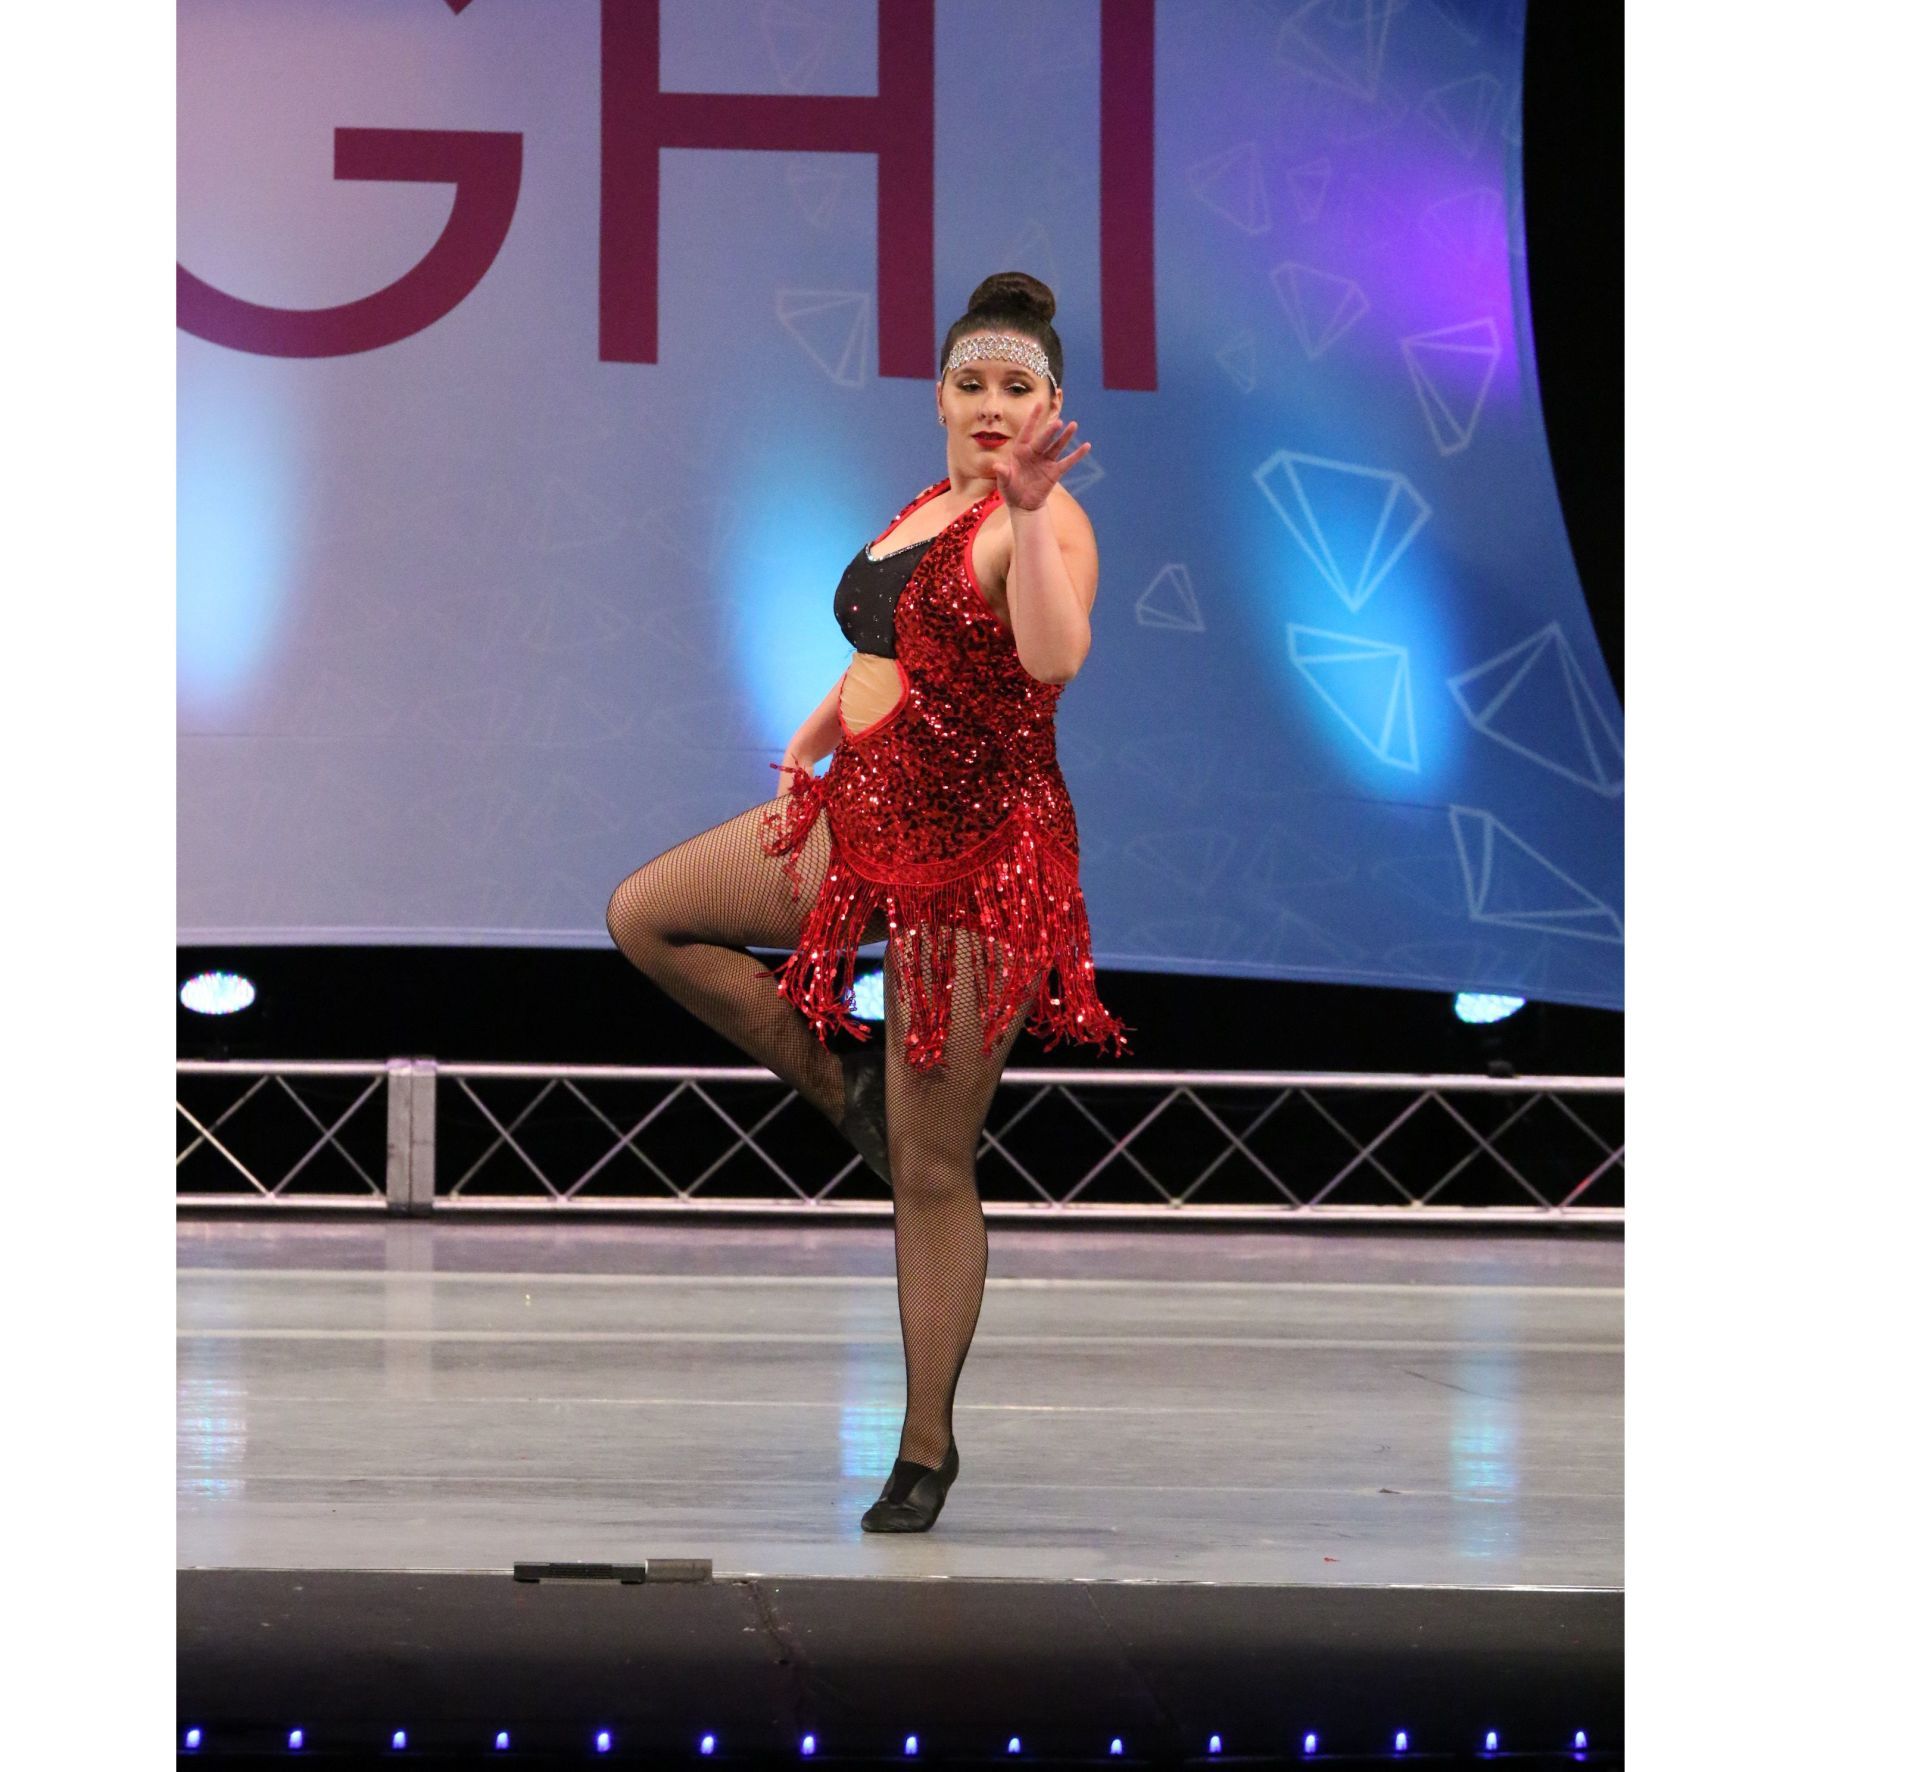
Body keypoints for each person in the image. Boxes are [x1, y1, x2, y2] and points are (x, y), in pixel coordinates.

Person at [606, 271, 1131, 1533]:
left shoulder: (1037, 525)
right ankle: (845, 1084)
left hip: (976, 866)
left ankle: (925, 1442)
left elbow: (1053, 658)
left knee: (933, 1168)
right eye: (974, 383)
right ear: (939, 394)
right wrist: (811, 733)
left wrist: (1032, 506)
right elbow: (881, 648)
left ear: (1051, 404)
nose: (993, 405)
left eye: (1020, 388)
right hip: (860, 816)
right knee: (646, 914)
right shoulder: (918, 509)